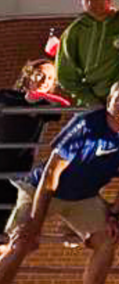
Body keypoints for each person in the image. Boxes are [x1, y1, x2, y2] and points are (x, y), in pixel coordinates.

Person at [0, 78, 119, 284]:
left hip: (84, 197)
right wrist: (35, 224)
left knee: (108, 240)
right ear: (109, 100)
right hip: (42, 191)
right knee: (22, 242)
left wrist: (114, 215)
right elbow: (50, 176)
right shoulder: (86, 123)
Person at [0, 60, 70, 235]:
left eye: (50, 79)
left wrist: (38, 99)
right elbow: (7, 103)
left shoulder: (44, 105)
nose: (44, 81)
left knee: (5, 224)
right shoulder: (6, 95)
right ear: (28, 75)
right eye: (40, 74)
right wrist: (28, 99)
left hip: (18, 168)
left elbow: (62, 107)